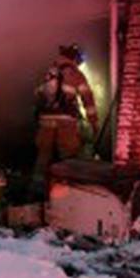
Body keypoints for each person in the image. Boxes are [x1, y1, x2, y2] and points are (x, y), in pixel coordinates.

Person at [34, 43, 99, 179]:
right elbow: (88, 99)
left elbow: (38, 94)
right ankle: (67, 190)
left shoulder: (49, 72)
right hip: (66, 123)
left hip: (46, 121)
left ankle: (37, 189)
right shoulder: (76, 74)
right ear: (74, 58)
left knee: (43, 156)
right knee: (68, 158)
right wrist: (93, 122)